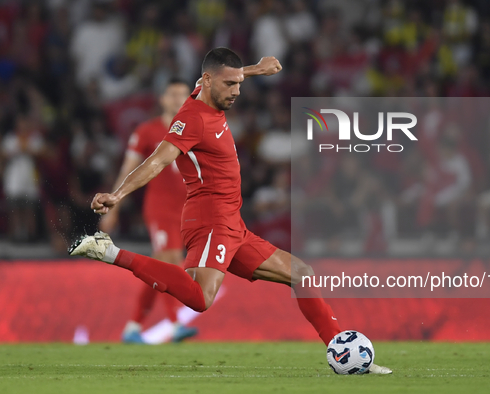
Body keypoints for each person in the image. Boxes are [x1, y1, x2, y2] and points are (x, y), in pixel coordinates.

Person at [69, 48, 391, 374]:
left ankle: (341, 352)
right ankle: (110, 252)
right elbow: (158, 160)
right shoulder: (191, 118)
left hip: (233, 223)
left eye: (238, 83)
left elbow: (224, 76)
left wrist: (256, 70)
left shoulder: (209, 89)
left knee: (301, 274)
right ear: (208, 82)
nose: (236, 91)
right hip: (209, 219)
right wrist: (118, 194)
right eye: (231, 85)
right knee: (199, 298)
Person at [99, 78, 197, 343]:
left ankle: (133, 326)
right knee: (171, 259)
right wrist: (114, 206)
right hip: (160, 207)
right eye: (172, 94)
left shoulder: (197, 130)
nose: (178, 99)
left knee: (161, 265)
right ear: (162, 100)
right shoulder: (147, 131)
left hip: (188, 208)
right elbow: (127, 167)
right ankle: (176, 323)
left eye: (183, 94)